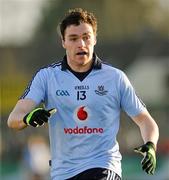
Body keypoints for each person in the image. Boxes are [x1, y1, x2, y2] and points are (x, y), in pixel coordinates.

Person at [8, 8, 159, 180]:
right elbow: (13, 119)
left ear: (95, 39)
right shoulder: (47, 77)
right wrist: (27, 118)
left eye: (86, 37)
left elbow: (146, 121)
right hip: (62, 173)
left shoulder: (115, 78)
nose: (81, 44)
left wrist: (150, 145)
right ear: (63, 42)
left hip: (103, 166)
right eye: (73, 38)